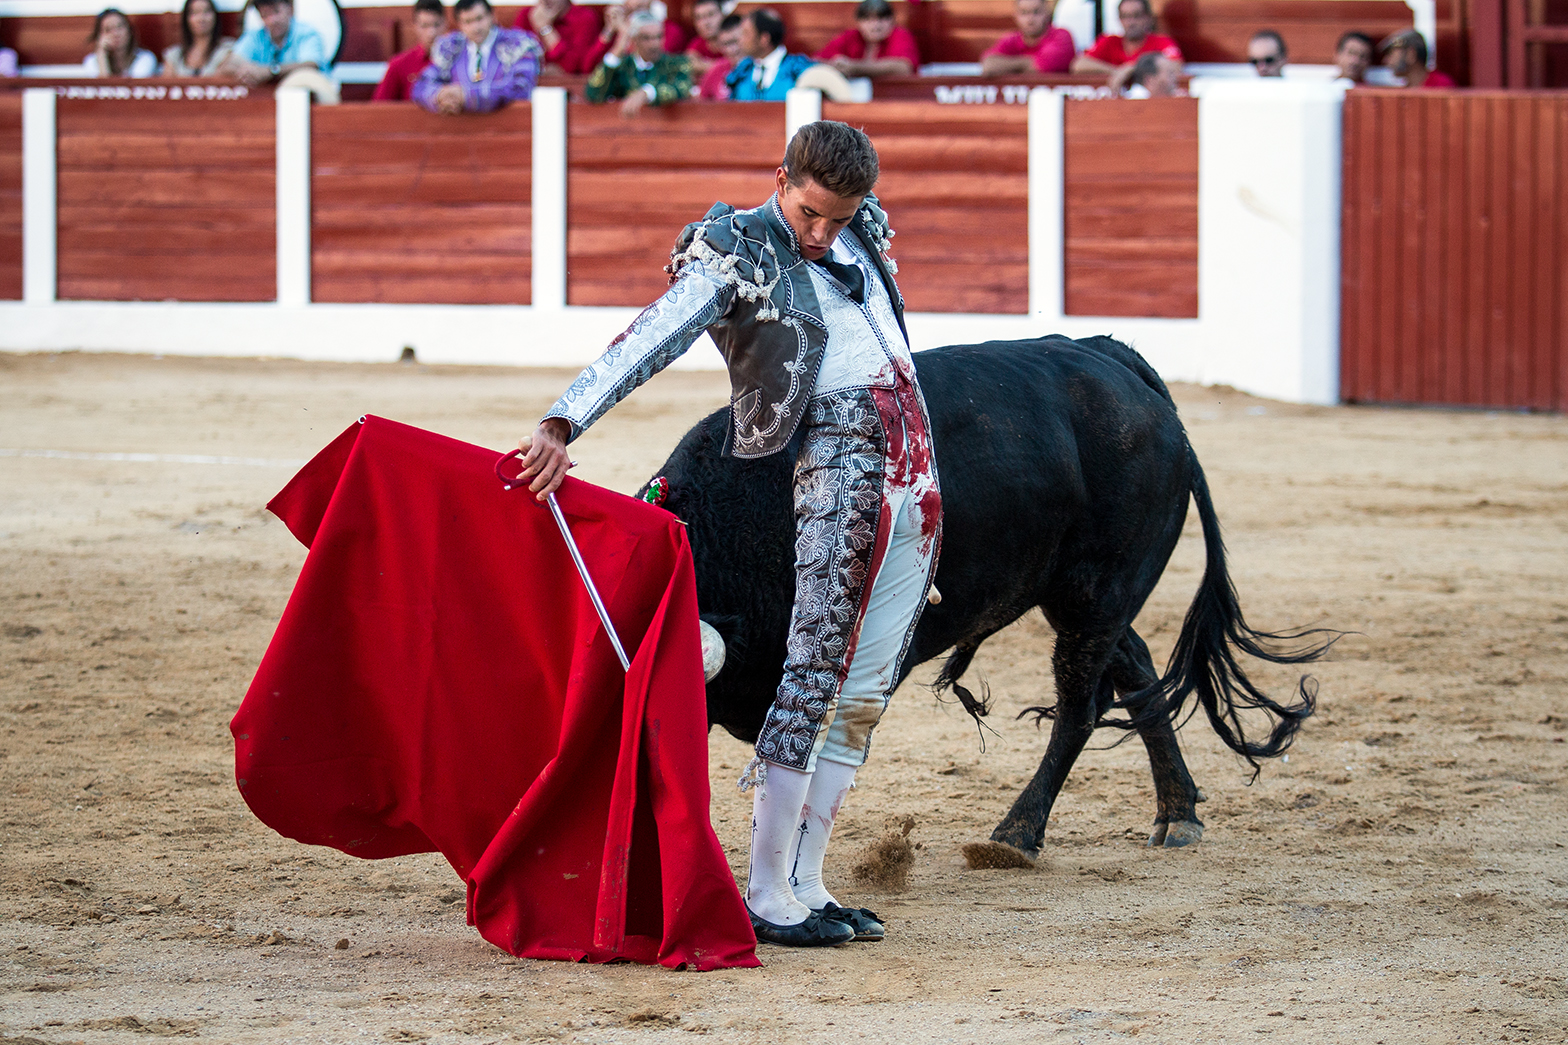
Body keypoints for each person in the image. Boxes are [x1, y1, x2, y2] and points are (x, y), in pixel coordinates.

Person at [516, 120, 940, 949]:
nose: (822, 235)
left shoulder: (863, 229)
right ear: (781, 178)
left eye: (840, 218)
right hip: (837, 464)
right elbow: (654, 334)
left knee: (867, 683)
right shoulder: (736, 248)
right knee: (813, 668)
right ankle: (767, 891)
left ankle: (809, 882)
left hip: (918, 467)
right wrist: (564, 420)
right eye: (811, 214)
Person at [413, 0, 542, 114]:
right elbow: (421, 86)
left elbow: (520, 87)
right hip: (460, 131)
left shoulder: (518, 43)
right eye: (468, 22)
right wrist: (440, 96)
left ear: (492, 16)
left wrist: (467, 96)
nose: (476, 27)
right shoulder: (451, 47)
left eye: (479, 18)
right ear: (459, 24)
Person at [585, 12, 692, 116]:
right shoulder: (622, 66)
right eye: (646, 38)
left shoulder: (677, 63)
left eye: (659, 37)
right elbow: (594, 94)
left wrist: (646, 93)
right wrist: (617, 50)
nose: (654, 44)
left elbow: (682, 88)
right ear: (634, 40)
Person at [1071, 0, 1182, 90]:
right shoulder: (1110, 41)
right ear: (1119, 19)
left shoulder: (1161, 41)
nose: (1131, 22)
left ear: (1148, 18)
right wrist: (1117, 71)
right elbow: (1079, 65)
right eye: (1125, 16)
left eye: (1136, 16)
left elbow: (1176, 66)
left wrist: (1132, 69)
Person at [226, 0, 328, 86]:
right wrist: (249, 71)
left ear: (290, 9)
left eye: (276, 12)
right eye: (265, 15)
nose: (272, 20)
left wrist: (271, 71)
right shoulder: (255, 37)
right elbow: (228, 65)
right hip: (266, 102)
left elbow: (311, 65)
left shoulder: (307, 34)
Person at [814, 0, 920, 79]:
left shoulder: (900, 35)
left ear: (892, 20)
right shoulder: (850, 36)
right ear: (858, 22)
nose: (875, 26)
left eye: (881, 19)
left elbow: (904, 67)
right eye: (868, 20)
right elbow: (816, 60)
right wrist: (836, 65)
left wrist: (854, 67)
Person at [726, 8, 812, 101]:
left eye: (745, 33)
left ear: (764, 39)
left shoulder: (798, 69)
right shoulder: (742, 70)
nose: (740, 39)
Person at [585, 0, 687, 73]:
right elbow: (589, 67)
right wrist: (609, 30)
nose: (638, 2)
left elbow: (650, 61)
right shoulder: (619, 28)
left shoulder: (669, 30)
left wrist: (625, 32)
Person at [374, 0, 446, 101]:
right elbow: (379, 109)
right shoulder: (399, 65)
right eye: (425, 26)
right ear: (415, 26)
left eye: (436, 25)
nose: (431, 33)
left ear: (445, 23)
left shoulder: (460, 60)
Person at [980, 0, 1074, 76]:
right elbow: (989, 65)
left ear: (1047, 13)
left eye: (1036, 12)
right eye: (1024, 13)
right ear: (1016, 16)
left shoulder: (1061, 36)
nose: (1030, 19)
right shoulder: (1011, 39)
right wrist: (1025, 64)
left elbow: (1045, 66)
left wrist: (1008, 66)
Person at [517, 0, 603, 74]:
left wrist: (545, 29)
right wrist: (542, 70)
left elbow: (575, 68)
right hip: (533, 88)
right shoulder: (527, 15)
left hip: (570, 89)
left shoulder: (585, 18)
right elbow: (515, 62)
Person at [162, 0, 234, 77]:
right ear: (186, 19)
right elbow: (167, 85)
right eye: (195, 13)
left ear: (215, 16)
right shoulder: (174, 55)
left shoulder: (227, 49)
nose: (201, 19)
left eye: (207, 12)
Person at [84, 8, 160, 78]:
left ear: (130, 31)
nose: (115, 34)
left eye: (120, 27)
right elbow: (103, 89)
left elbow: (134, 89)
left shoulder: (146, 58)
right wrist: (101, 55)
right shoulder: (92, 61)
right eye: (108, 29)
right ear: (99, 36)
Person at [1380, 29, 1454, 88]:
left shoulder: (1440, 86)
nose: (1386, 60)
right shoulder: (1406, 90)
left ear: (1411, 54)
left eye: (1391, 54)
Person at [695, 13, 743, 99]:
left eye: (736, 42)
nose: (732, 50)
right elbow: (701, 105)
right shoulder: (716, 70)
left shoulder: (760, 68)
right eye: (726, 44)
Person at [685, 0, 726, 76]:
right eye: (699, 18)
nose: (706, 23)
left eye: (710, 15)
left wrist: (703, 65)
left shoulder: (736, 40)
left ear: (723, 15)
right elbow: (689, 63)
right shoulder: (696, 45)